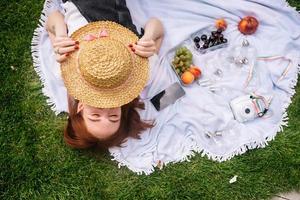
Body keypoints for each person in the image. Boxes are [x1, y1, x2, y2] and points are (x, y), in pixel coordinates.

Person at [43, 0, 164, 149]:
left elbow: (52, 19)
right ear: (121, 113)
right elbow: (157, 26)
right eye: (113, 117)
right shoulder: (140, 77)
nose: (106, 111)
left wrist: (60, 35)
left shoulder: (63, 73)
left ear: (80, 108)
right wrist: (148, 39)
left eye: (95, 116)